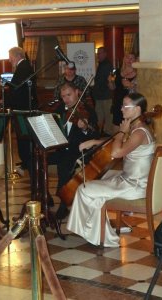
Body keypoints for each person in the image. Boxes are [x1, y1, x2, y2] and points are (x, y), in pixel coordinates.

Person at [66, 93, 156, 247]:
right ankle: (98, 230)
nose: (121, 109)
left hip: (135, 186)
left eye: (125, 106)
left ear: (137, 109)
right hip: (131, 180)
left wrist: (121, 131)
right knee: (99, 180)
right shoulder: (137, 128)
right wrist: (94, 141)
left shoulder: (139, 132)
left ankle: (98, 234)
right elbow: (120, 144)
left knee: (84, 188)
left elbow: (116, 152)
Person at [48, 82, 99, 219]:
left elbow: (94, 135)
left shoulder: (87, 110)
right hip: (61, 150)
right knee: (34, 159)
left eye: (69, 95)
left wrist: (84, 128)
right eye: (63, 96)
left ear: (77, 92)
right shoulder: (60, 109)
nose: (66, 99)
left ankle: (63, 207)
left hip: (78, 151)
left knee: (65, 164)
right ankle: (45, 197)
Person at [6, 47, 38, 173]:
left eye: (10, 57)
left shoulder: (23, 67)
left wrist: (5, 101)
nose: (9, 60)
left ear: (17, 56)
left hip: (23, 108)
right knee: (23, 137)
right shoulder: (25, 66)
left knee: (24, 136)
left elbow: (16, 90)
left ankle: (27, 162)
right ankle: (26, 161)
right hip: (23, 106)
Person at [109, 53, 137, 132]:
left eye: (132, 58)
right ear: (124, 59)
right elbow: (112, 88)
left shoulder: (138, 73)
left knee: (130, 128)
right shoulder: (115, 72)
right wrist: (110, 82)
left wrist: (131, 85)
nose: (129, 60)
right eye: (127, 57)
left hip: (131, 105)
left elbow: (143, 90)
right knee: (117, 129)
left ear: (135, 60)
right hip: (118, 104)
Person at [92, 47, 114, 136]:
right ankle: (100, 132)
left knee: (108, 116)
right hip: (100, 95)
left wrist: (95, 90)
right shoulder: (101, 64)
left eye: (100, 53)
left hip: (106, 95)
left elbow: (105, 80)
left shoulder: (107, 65)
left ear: (105, 54)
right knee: (99, 115)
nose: (98, 55)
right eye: (98, 53)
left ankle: (107, 133)